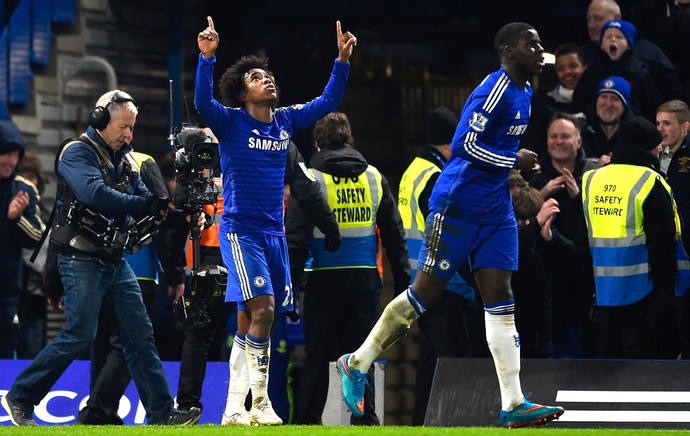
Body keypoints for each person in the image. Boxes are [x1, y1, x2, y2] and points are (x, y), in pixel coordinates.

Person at [336, 22, 564, 428]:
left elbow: (493, 148)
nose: (539, 50)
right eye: (532, 44)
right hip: (457, 206)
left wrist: (513, 162)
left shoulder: (526, 92)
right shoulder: (493, 90)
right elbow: (464, 145)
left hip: (494, 210)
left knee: (500, 295)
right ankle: (357, 363)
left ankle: (513, 402)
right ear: (509, 52)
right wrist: (514, 161)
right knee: (424, 294)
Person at [0, 89, 201, 426]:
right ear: (101, 119)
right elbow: (94, 193)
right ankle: (20, 396)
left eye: (133, 128)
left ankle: (163, 412)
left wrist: (175, 210)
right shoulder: (75, 152)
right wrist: (147, 203)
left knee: (140, 335)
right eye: (124, 127)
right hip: (79, 258)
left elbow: (145, 198)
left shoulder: (122, 160)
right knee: (79, 334)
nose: (129, 135)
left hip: (112, 259)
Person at [195, 16, 356, 426]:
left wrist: (341, 61)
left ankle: (232, 407)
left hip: (274, 234)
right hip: (240, 231)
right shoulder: (231, 122)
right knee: (264, 310)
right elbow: (201, 103)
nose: (266, 80)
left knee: (250, 319)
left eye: (268, 75)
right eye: (256, 77)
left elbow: (327, 102)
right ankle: (260, 401)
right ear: (242, 91)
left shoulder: (284, 121)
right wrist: (207, 59)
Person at [288, 112, 410, 426]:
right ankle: (366, 421)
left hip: (321, 281)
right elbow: (394, 235)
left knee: (316, 358)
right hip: (364, 281)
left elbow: (298, 239)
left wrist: (290, 285)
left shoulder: (311, 179)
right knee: (363, 356)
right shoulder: (373, 176)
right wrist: (403, 286)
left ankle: (307, 423)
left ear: (317, 144)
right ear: (349, 140)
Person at [76, 150, 171, 425]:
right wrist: (174, 274)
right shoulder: (144, 161)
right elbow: (159, 215)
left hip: (97, 264)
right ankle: (98, 411)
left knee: (102, 344)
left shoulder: (88, 161)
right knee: (125, 345)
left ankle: (100, 412)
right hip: (137, 269)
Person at [582, 116, 689, 359]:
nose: (660, 148)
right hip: (642, 294)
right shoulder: (650, 181)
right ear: (646, 147)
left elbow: (583, 237)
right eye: (656, 143)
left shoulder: (591, 179)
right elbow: (662, 246)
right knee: (639, 375)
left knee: (605, 368)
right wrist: (666, 300)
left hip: (602, 293)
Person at [396, 106, 476, 425]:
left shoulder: (414, 170)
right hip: (446, 283)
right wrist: (472, 278)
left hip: (423, 284)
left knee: (430, 360)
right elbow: (448, 235)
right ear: (450, 141)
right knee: (452, 360)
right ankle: (451, 423)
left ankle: (422, 424)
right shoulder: (436, 176)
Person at [530, 113, 599, 358]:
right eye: (553, 136)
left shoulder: (595, 174)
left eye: (565, 136)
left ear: (579, 142)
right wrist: (541, 193)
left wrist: (580, 197)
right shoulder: (533, 177)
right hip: (545, 282)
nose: (558, 141)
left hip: (582, 279)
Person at [582, 0, 683, 104]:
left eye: (598, 19)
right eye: (588, 19)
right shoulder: (584, 54)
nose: (591, 25)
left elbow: (673, 95)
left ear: (617, 18)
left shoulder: (649, 54)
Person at [0, 120, 43, 359]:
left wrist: (16, 219)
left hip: (7, 295)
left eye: (16, 155)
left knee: (5, 360)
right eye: (6, 154)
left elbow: (36, 237)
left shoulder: (24, 189)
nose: (12, 162)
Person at [655, 100, 690, 358]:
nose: (661, 129)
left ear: (685, 127)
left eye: (667, 123)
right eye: (658, 123)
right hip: (664, 245)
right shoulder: (653, 154)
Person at [573, 19, 660, 122]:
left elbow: (652, 107)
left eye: (619, 37)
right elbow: (579, 102)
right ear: (602, 44)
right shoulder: (593, 71)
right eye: (608, 37)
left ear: (629, 44)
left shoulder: (640, 72)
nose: (613, 39)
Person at [511, 186, 560, 358]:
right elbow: (513, 243)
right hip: (513, 333)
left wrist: (549, 240)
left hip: (542, 333)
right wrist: (534, 224)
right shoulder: (511, 237)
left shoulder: (545, 237)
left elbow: (573, 258)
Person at [16, 153, 50, 359]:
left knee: (34, 349)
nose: (29, 181)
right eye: (24, 176)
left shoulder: (45, 214)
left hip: (37, 295)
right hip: (15, 290)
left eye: (33, 176)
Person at [581, 76, 633, 165]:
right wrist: (596, 164)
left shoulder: (633, 131)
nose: (608, 104)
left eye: (614, 98)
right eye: (604, 97)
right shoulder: (581, 124)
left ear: (624, 105)